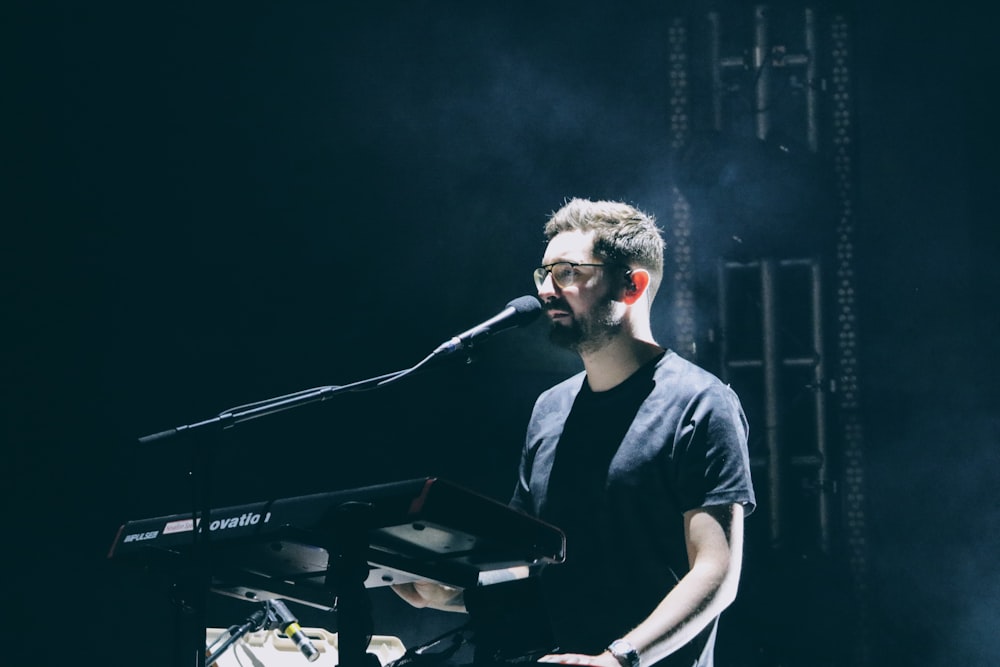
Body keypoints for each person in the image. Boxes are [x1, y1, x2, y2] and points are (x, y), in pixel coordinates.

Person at [394, 198, 755, 667]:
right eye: (543, 274)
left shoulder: (702, 403)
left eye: (567, 272)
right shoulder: (550, 409)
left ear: (632, 284)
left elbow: (715, 571)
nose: (547, 290)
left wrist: (619, 658)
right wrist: (448, 590)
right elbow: (531, 564)